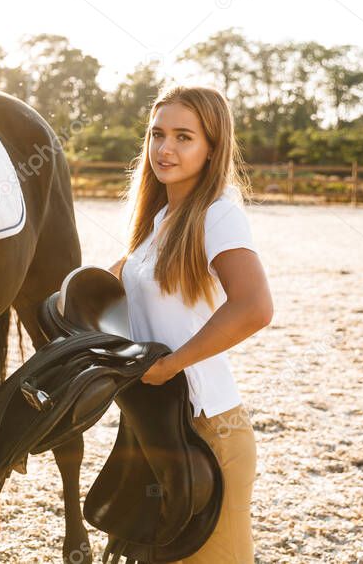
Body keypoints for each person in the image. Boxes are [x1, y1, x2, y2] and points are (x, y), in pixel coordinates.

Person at [108, 85, 272, 563]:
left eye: (184, 137)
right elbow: (108, 290)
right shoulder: (159, 220)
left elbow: (255, 307)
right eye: (157, 134)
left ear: (212, 148)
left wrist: (173, 364)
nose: (165, 149)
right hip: (156, 425)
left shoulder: (218, 214)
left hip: (208, 430)